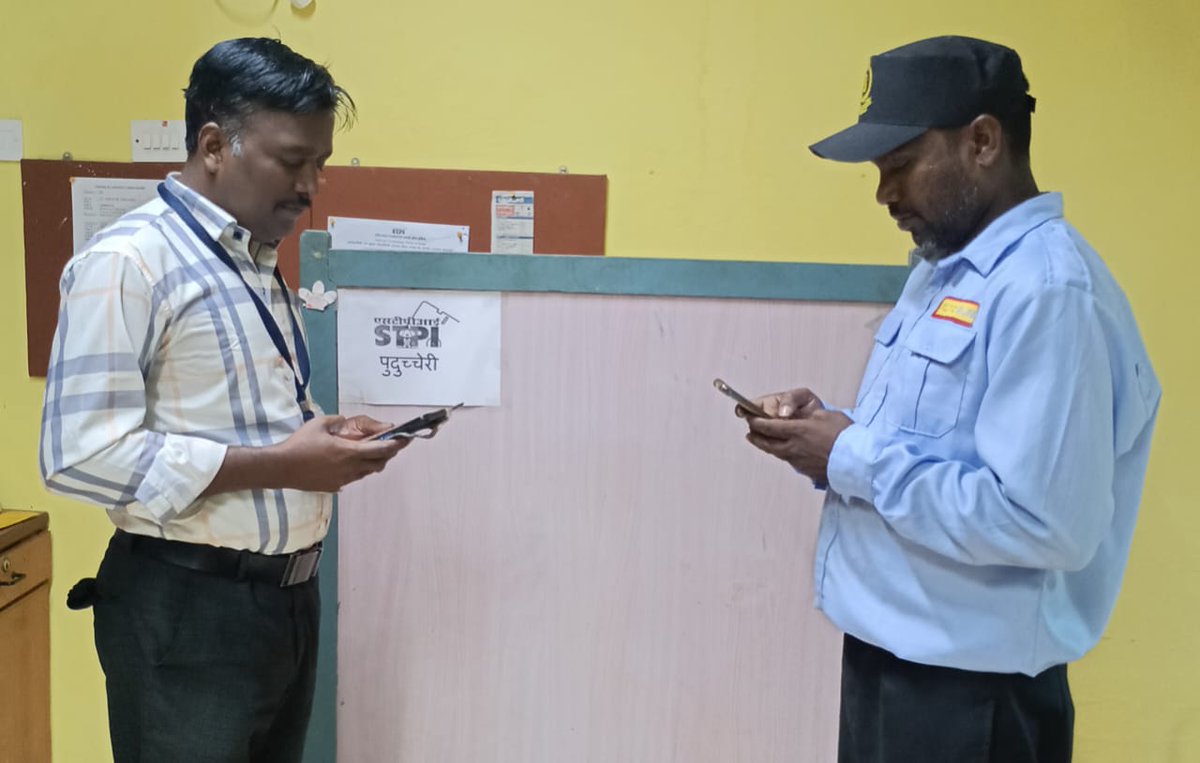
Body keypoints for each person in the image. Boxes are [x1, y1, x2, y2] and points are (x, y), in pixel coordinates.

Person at [739, 36, 1160, 763]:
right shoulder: (948, 271)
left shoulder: (1048, 291)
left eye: (899, 166)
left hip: (969, 701)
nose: (883, 193)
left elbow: (1044, 523)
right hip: (894, 666)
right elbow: (936, 445)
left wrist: (852, 456)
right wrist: (830, 437)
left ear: (983, 142)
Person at [39, 38, 413, 762]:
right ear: (214, 145)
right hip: (187, 611)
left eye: (321, 164)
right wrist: (281, 464)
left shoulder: (256, 261)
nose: (311, 186)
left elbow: (230, 413)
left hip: (283, 603)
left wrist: (319, 431)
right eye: (292, 161)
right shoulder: (129, 263)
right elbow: (79, 455)